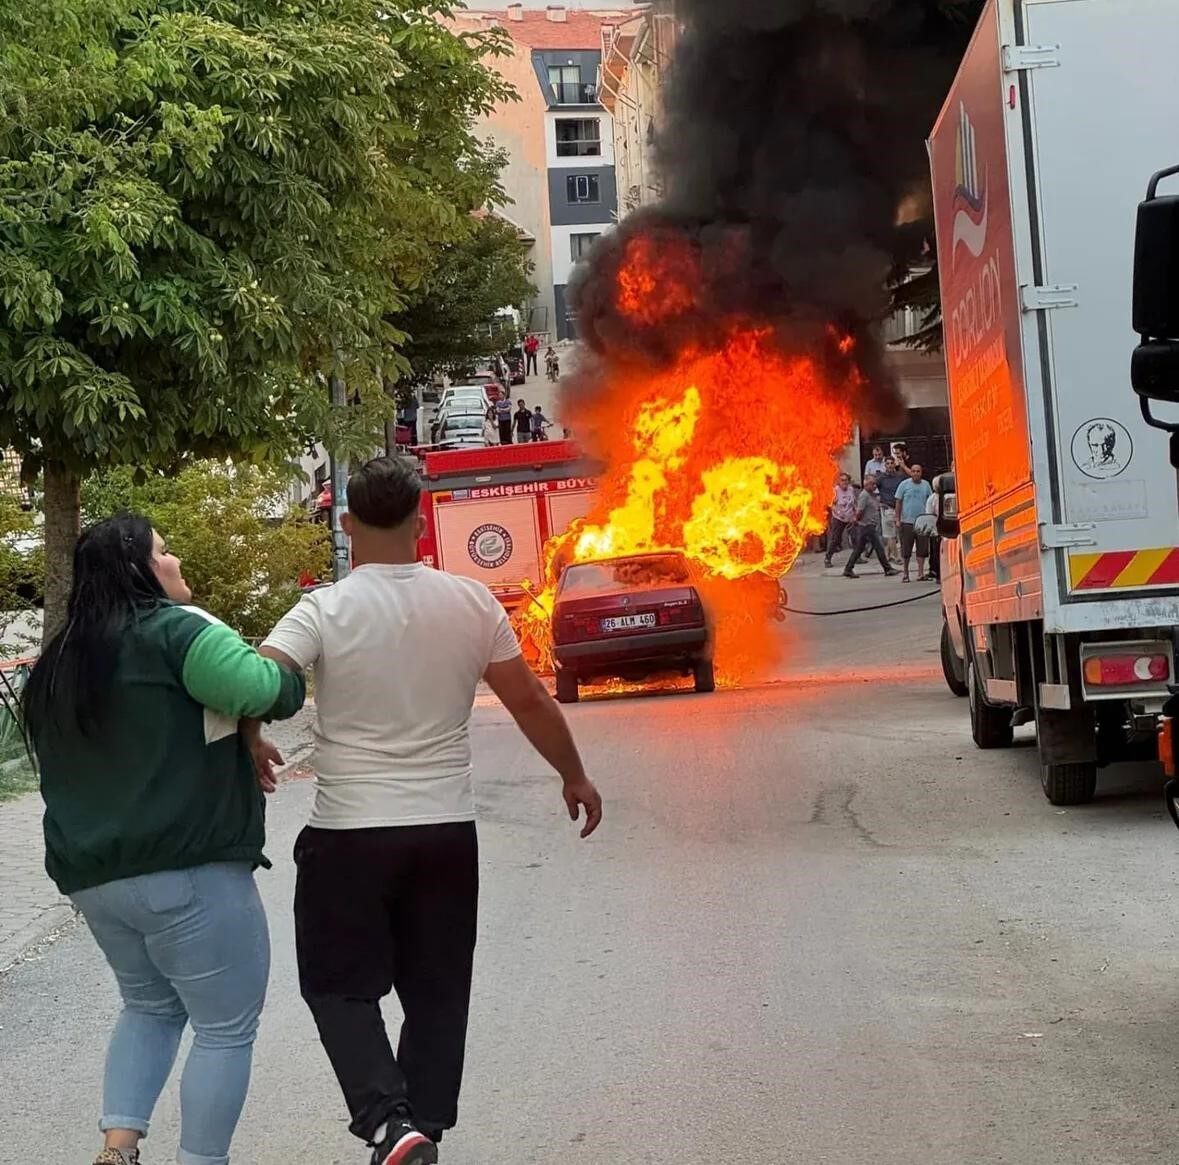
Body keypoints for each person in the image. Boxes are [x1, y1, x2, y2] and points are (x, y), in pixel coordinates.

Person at [255, 458, 602, 1165]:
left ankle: (390, 1124)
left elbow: (258, 676)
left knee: (336, 986)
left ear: (346, 526)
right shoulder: (471, 603)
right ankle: (422, 1128)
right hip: (445, 830)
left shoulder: (321, 608)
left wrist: (249, 735)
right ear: (421, 522)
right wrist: (574, 774)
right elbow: (531, 700)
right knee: (437, 988)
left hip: (348, 833)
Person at [23, 513, 305, 1165]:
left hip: (94, 880)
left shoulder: (60, 660)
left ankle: (117, 1148)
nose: (174, 559)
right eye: (164, 549)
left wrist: (240, 734)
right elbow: (258, 685)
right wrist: (288, 675)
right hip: (187, 869)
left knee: (147, 1005)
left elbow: (150, 724)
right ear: (140, 568)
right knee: (225, 1027)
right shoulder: (177, 631)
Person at [844, 475, 900, 580]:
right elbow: (860, 511)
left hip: (868, 526)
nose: (875, 486)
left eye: (875, 484)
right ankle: (887, 569)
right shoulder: (864, 495)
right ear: (866, 485)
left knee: (859, 549)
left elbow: (873, 506)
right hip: (866, 526)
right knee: (879, 547)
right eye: (872, 484)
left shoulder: (871, 495)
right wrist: (857, 520)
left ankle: (848, 569)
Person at [895, 462, 934, 582]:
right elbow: (898, 502)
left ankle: (920, 573)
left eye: (918, 471)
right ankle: (905, 574)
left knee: (922, 550)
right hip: (907, 521)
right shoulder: (904, 485)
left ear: (921, 473)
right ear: (910, 472)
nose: (916, 473)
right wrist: (897, 519)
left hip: (922, 522)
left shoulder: (926, 485)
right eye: (913, 471)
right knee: (906, 550)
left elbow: (931, 501)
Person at [875, 457, 906, 564]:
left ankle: (888, 556)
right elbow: (871, 487)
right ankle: (896, 557)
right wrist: (878, 502)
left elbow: (910, 478)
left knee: (896, 534)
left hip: (899, 508)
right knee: (891, 534)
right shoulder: (881, 478)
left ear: (894, 464)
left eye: (892, 463)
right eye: (887, 464)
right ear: (885, 465)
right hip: (887, 508)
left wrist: (903, 466)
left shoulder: (900, 476)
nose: (890, 465)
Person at [824, 471, 857, 568]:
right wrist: (838, 512)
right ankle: (827, 558)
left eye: (846, 480)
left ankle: (857, 557)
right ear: (839, 481)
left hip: (850, 517)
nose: (844, 482)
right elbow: (831, 504)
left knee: (855, 537)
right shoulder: (836, 490)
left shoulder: (851, 489)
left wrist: (856, 514)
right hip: (838, 518)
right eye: (842, 480)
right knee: (835, 539)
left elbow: (854, 502)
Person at [914, 488, 941, 583]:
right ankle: (937, 573)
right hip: (936, 527)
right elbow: (930, 515)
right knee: (935, 551)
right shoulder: (932, 499)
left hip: (947, 524)